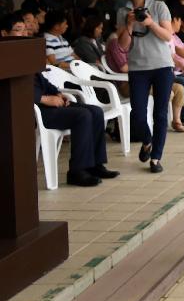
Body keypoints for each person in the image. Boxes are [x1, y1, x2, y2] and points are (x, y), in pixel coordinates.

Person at [2, 14, 119, 186]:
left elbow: (42, 81)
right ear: (4, 34)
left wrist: (57, 93)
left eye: (25, 30)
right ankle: (77, 171)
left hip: (47, 103)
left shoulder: (23, 52)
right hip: (33, 111)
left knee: (94, 111)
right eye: (18, 30)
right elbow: (11, 91)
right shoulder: (5, 58)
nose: (24, 34)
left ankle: (95, 164)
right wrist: (44, 99)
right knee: (82, 116)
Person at [115, 0, 174, 173]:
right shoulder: (123, 12)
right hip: (138, 68)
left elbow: (168, 36)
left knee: (160, 113)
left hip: (162, 67)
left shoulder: (158, 7)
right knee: (138, 113)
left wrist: (150, 23)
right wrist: (129, 24)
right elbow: (123, 45)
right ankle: (147, 141)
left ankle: (156, 158)